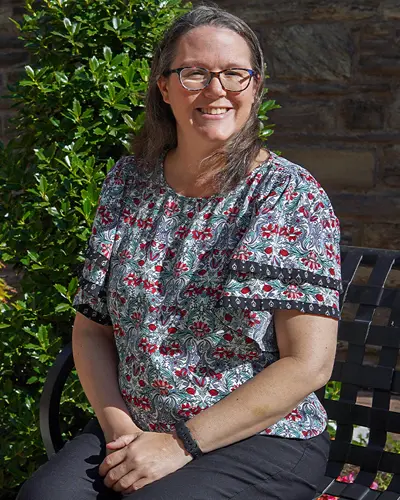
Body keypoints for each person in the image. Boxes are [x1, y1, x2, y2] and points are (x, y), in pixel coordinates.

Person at [17, 4, 342, 500]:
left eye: (234, 74)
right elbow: (91, 330)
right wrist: (120, 433)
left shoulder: (288, 196)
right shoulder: (128, 182)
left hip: (259, 436)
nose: (216, 90)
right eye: (195, 73)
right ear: (164, 87)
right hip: (137, 423)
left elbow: (308, 365)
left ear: (255, 88)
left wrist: (180, 444)